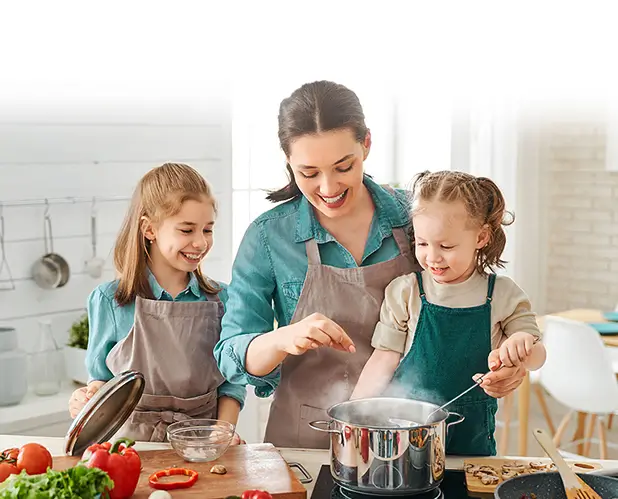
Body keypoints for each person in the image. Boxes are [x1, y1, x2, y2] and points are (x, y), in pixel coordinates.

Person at [214, 80, 422, 449]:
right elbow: (231, 354)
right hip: (307, 440)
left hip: (408, 430)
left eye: (343, 166)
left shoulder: (415, 218)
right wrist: (283, 338)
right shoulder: (268, 237)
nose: (328, 187)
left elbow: (469, 306)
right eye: (308, 173)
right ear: (289, 163)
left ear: (367, 144)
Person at [350, 170, 547, 456]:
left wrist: (522, 347)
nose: (432, 256)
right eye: (422, 243)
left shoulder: (503, 294)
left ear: (481, 237)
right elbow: (383, 359)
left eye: (446, 246)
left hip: (473, 436)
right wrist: (355, 413)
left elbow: (537, 356)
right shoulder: (404, 291)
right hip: (407, 430)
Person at [68, 163, 246, 443]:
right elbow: (100, 380)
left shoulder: (223, 299)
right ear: (149, 229)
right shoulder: (109, 301)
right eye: (187, 230)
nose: (200, 242)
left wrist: (222, 432)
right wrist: (85, 399)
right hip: (128, 447)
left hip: (202, 443)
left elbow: (233, 383)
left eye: (207, 230)